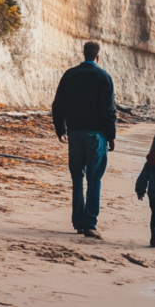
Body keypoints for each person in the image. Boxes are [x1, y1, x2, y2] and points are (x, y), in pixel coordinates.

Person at [52, 41, 117, 239]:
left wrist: (60, 129)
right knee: (94, 178)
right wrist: (111, 135)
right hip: (96, 135)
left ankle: (79, 222)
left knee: (77, 177)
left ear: (84, 54)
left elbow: (58, 105)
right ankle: (89, 224)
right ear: (98, 57)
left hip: (75, 134)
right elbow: (109, 111)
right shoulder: (103, 77)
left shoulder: (70, 75)